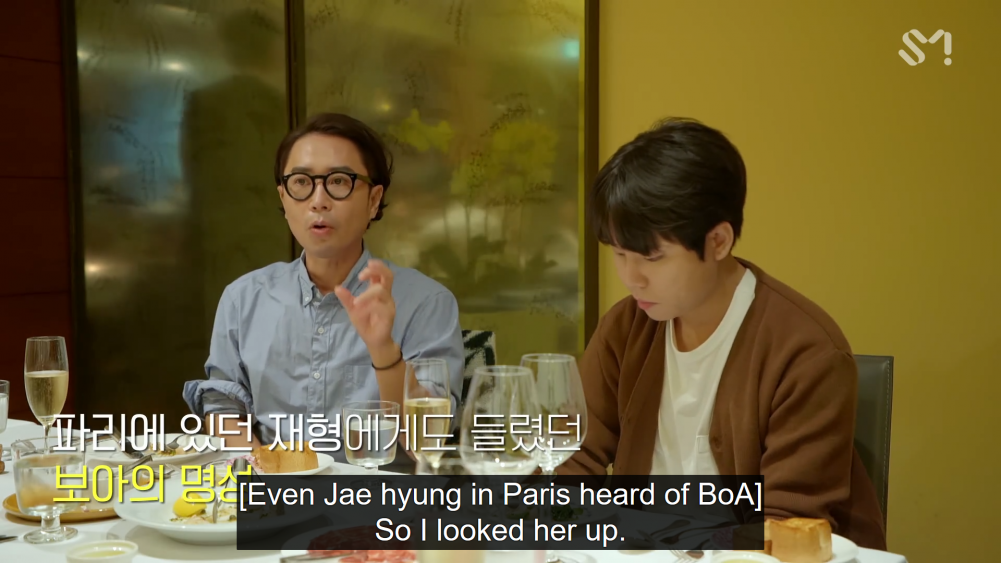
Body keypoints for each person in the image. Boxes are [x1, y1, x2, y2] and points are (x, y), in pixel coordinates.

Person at [560, 117, 887, 550]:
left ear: (718, 241)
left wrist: (659, 534)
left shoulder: (806, 351)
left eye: (652, 259)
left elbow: (785, 524)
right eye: (620, 254)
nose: (631, 278)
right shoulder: (626, 327)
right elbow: (570, 460)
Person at [182, 113, 466, 465]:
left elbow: (428, 442)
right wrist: (264, 470)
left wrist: (384, 350)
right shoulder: (243, 298)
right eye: (301, 182)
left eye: (339, 181)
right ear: (284, 198)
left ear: (374, 200)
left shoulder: (427, 302)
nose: (318, 200)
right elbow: (224, 403)